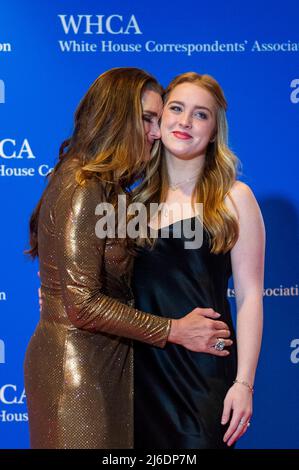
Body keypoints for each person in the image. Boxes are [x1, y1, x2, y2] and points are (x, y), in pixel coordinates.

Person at [24, 67, 232, 449]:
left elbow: (110, 282)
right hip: (79, 376)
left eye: (158, 119)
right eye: (147, 119)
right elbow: (83, 304)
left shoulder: (114, 189)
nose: (156, 132)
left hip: (112, 369)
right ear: (116, 116)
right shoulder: (84, 185)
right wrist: (174, 330)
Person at [133, 72, 265, 449]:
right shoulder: (130, 202)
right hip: (138, 373)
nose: (185, 121)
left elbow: (251, 295)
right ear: (158, 120)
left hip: (202, 374)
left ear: (214, 129)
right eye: (176, 108)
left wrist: (243, 384)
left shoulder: (234, 198)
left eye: (200, 114)